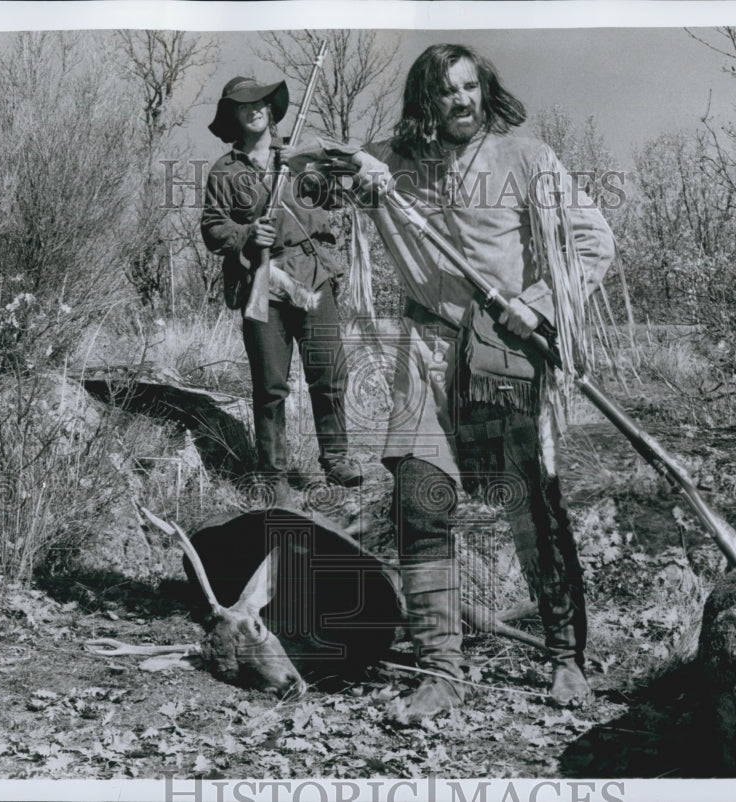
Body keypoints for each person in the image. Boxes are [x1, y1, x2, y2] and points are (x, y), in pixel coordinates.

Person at [330, 44, 616, 723]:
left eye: (468, 87)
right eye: (446, 92)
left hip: (504, 348)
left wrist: (539, 302)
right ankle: (439, 670)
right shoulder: (396, 164)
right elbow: (315, 175)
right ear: (426, 104)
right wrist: (354, 173)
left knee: (531, 502)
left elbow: (596, 241)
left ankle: (564, 658)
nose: (460, 101)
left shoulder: (527, 158)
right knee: (421, 498)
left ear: (483, 89)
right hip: (427, 346)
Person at [200, 76, 363, 505]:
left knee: (329, 376)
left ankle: (336, 460)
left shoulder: (299, 154)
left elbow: (347, 182)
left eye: (259, 102)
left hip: (313, 277)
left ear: (271, 109)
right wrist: (249, 233)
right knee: (270, 386)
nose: (253, 109)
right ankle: (273, 474)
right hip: (263, 281)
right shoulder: (225, 171)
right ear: (232, 115)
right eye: (242, 105)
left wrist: (312, 158)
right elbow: (213, 229)